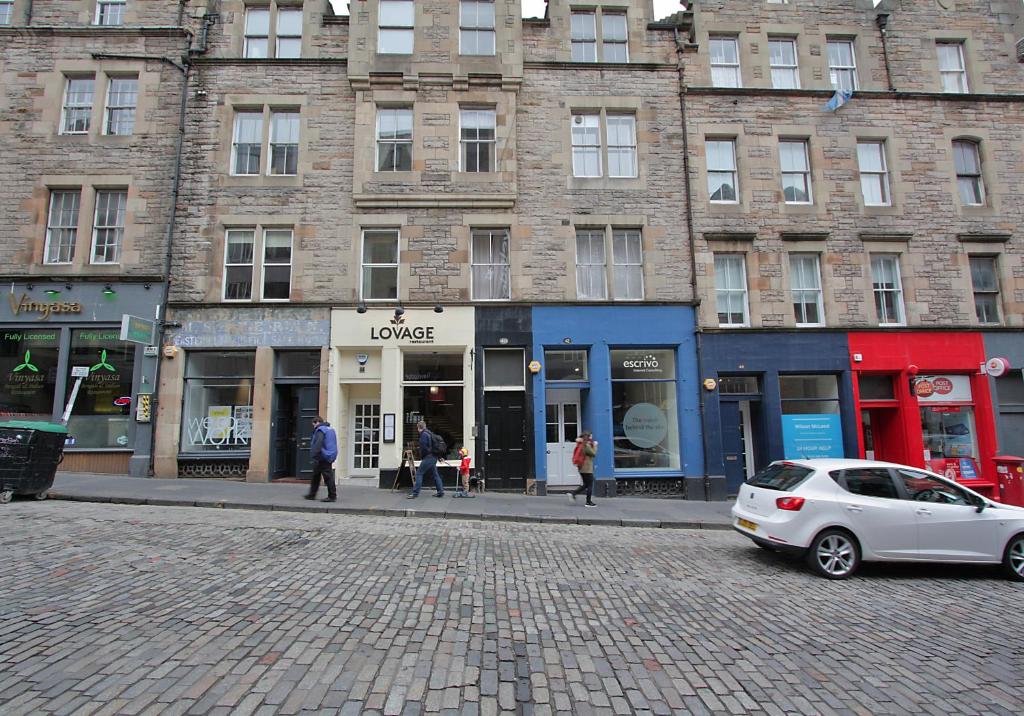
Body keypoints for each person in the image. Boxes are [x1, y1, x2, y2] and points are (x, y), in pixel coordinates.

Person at [408, 420, 445, 499]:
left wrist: (423, 456)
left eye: (417, 428)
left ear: (418, 428)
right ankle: (440, 492)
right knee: (435, 474)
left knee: (419, 473)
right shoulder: (429, 433)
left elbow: (424, 448)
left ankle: (415, 493)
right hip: (433, 457)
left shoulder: (424, 435)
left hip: (428, 457)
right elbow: (433, 447)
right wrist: (438, 457)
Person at [306, 416, 338, 502]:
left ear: (317, 422)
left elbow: (318, 442)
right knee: (316, 475)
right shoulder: (330, 429)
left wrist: (315, 454)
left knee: (328, 477)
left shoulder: (321, 430)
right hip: (329, 454)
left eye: (314, 424)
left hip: (323, 456)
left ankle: (332, 496)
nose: (314, 427)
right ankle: (311, 495)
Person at [571, 431, 597, 507]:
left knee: (586, 484)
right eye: (591, 436)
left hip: (581, 467)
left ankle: (574, 493)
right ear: (588, 437)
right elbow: (593, 453)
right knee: (590, 485)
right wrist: (595, 445)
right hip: (586, 468)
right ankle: (588, 502)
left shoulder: (580, 444)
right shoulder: (586, 445)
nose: (592, 437)